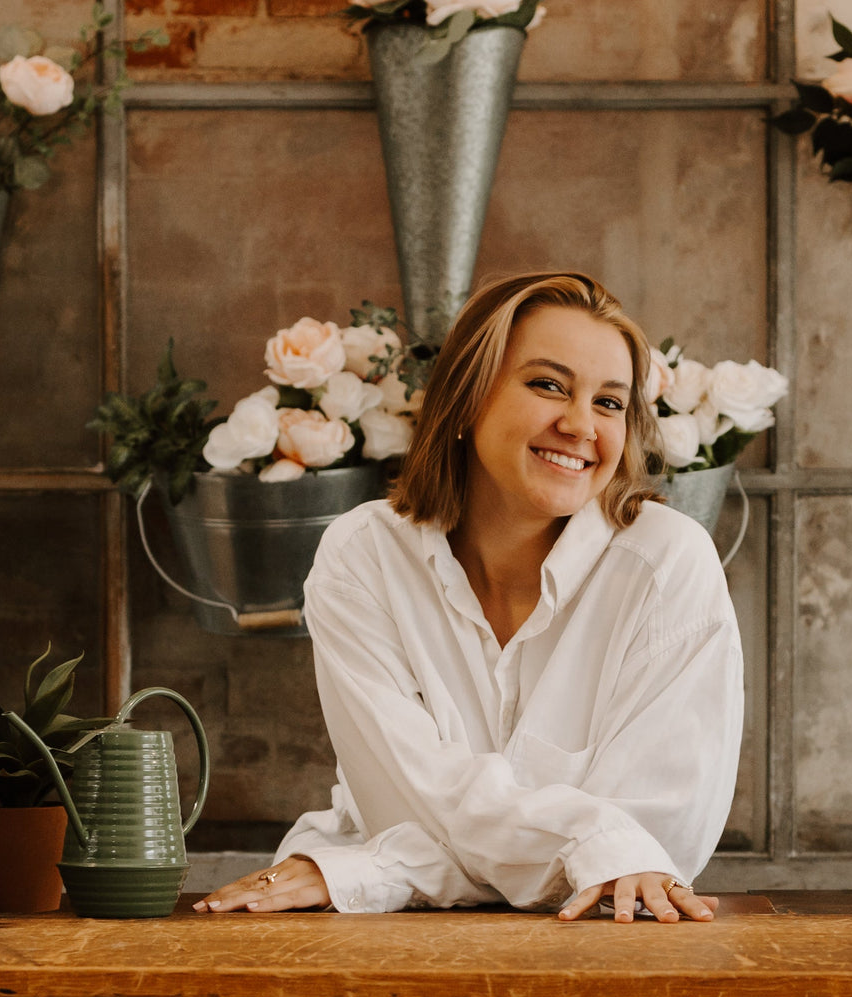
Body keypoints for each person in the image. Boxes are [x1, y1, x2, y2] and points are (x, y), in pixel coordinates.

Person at [196, 271, 743, 923]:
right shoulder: (364, 557)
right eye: (549, 385)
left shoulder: (666, 563)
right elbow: (409, 799)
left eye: (609, 403)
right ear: (466, 398)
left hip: (600, 955)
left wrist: (371, 867)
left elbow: (651, 848)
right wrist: (588, 843)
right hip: (382, 952)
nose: (579, 424)